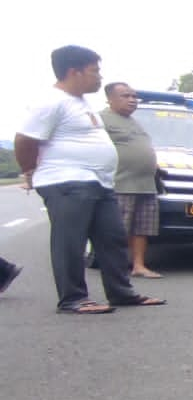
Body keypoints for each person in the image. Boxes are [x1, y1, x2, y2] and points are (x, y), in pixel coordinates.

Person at [13, 45, 164, 314]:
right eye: (95, 71)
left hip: (100, 183)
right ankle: (73, 298)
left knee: (113, 239)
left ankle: (121, 293)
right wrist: (30, 171)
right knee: (70, 241)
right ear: (74, 71)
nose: (99, 77)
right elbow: (25, 139)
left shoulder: (80, 103)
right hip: (67, 182)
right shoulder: (51, 101)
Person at [101, 82, 163, 278]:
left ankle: (139, 266)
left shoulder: (134, 121)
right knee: (118, 230)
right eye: (125, 96)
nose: (132, 100)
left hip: (145, 185)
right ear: (109, 99)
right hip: (120, 184)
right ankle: (116, 269)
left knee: (141, 229)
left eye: (134, 96)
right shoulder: (101, 119)